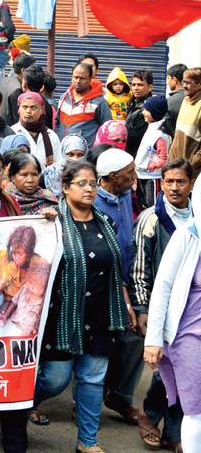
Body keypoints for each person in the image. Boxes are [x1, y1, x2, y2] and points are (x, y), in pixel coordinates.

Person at [35, 159, 131, 453]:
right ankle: (20, 401)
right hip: (62, 316)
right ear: (65, 188)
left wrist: (125, 304)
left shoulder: (106, 221)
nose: (90, 189)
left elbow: (116, 268)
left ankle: (87, 442)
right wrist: (44, 223)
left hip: (100, 313)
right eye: (82, 184)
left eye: (93, 183)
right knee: (55, 380)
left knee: (92, 379)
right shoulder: (51, 223)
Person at [132, 159, 192, 450]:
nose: (174, 187)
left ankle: (175, 431)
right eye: (168, 182)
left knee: (190, 370)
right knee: (167, 367)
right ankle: (149, 413)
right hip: (163, 307)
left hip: (192, 307)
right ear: (161, 183)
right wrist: (142, 309)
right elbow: (140, 269)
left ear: (191, 185)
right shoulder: (151, 218)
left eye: (181, 181)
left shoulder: (197, 217)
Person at [144, 176, 201, 453]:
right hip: (189, 335)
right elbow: (163, 288)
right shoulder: (187, 236)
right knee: (196, 411)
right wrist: (153, 339)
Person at [90, 148, 145, 427]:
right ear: (112, 176)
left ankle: (119, 396)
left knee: (135, 336)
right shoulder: (92, 202)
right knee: (96, 344)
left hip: (128, 278)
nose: (135, 178)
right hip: (101, 283)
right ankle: (83, 404)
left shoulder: (126, 196)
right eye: (129, 173)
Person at [60, 62, 113, 146]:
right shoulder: (64, 97)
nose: (78, 81)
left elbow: (108, 130)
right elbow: (57, 122)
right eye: (75, 77)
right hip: (63, 151)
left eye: (82, 78)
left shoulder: (99, 103)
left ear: (89, 80)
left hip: (85, 155)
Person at [12, 92, 60, 169]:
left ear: (42, 110)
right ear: (19, 109)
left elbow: (57, 164)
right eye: (25, 107)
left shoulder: (51, 136)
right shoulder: (13, 133)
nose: (28, 111)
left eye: (33, 107)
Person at [3, 150, 57, 215]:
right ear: (13, 177)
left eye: (34, 174)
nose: (30, 180)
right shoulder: (5, 200)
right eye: (24, 175)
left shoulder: (48, 199)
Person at [170, 67, 201, 179]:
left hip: (190, 172)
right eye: (184, 82)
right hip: (176, 168)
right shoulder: (186, 100)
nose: (184, 86)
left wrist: (190, 165)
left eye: (189, 83)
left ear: (199, 85)